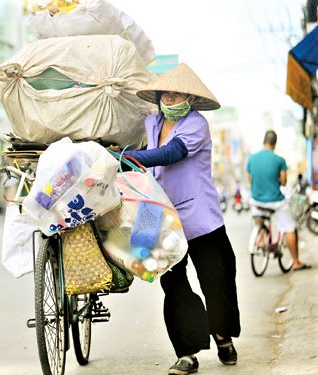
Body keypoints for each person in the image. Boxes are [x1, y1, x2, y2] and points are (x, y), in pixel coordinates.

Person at [117, 63, 241, 375]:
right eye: (166, 95)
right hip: (155, 212)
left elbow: (172, 153)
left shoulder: (196, 124)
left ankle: (222, 335)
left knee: (217, 279)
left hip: (199, 215)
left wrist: (126, 158)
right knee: (173, 283)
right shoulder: (150, 122)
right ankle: (187, 353)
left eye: (177, 94)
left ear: (189, 98)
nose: (171, 99)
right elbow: (140, 150)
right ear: (158, 97)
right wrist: (115, 152)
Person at [246, 130, 310, 271]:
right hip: (275, 201)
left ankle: (260, 237)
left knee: (258, 213)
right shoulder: (279, 160)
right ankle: (296, 262)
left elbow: (250, 179)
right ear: (275, 144)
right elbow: (283, 181)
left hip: (256, 200)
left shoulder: (251, 158)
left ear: (264, 142)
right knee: (290, 227)